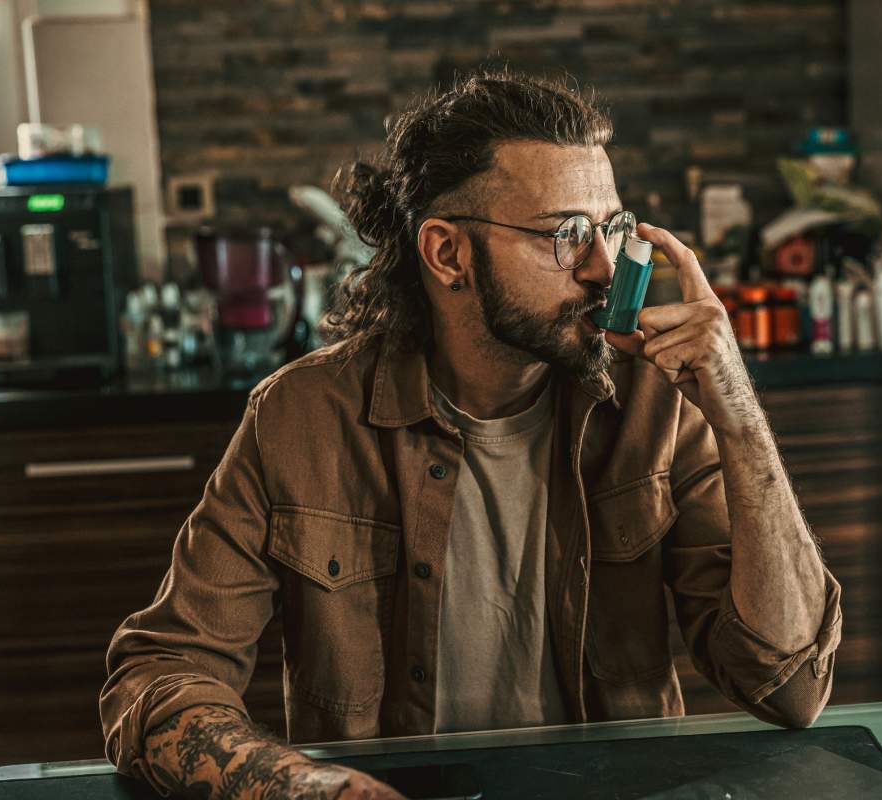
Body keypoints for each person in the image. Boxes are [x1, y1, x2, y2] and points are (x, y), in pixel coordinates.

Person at [100, 70, 842, 800]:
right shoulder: (301, 417)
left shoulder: (656, 404)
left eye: (613, 227)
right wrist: (314, 789)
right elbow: (159, 678)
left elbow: (789, 686)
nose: (606, 269)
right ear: (447, 253)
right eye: (567, 234)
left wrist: (738, 413)